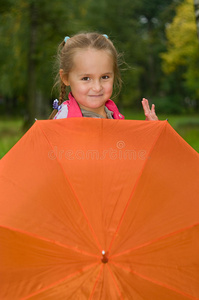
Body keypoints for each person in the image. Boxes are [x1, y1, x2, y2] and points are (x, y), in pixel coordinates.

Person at [49, 32, 158, 121]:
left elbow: (124, 146)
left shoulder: (113, 113)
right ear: (66, 78)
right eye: (86, 78)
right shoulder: (64, 121)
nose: (97, 87)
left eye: (105, 77)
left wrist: (148, 131)